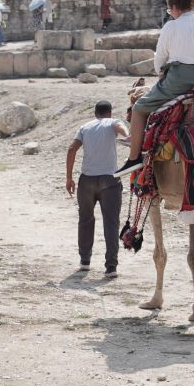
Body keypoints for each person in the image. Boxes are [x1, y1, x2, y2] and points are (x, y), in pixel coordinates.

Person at [113, 0, 194, 178]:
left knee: (139, 108)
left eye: (170, 10)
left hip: (179, 78)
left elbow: (160, 57)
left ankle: (134, 159)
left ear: (174, 7)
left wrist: (160, 74)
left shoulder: (171, 26)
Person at [67, 100, 129, 277]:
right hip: (109, 180)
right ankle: (111, 267)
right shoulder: (113, 122)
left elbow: (72, 149)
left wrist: (69, 177)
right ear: (109, 112)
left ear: (95, 113)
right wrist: (126, 136)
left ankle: (85, 262)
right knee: (111, 222)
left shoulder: (85, 127)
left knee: (85, 220)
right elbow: (120, 128)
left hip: (86, 180)